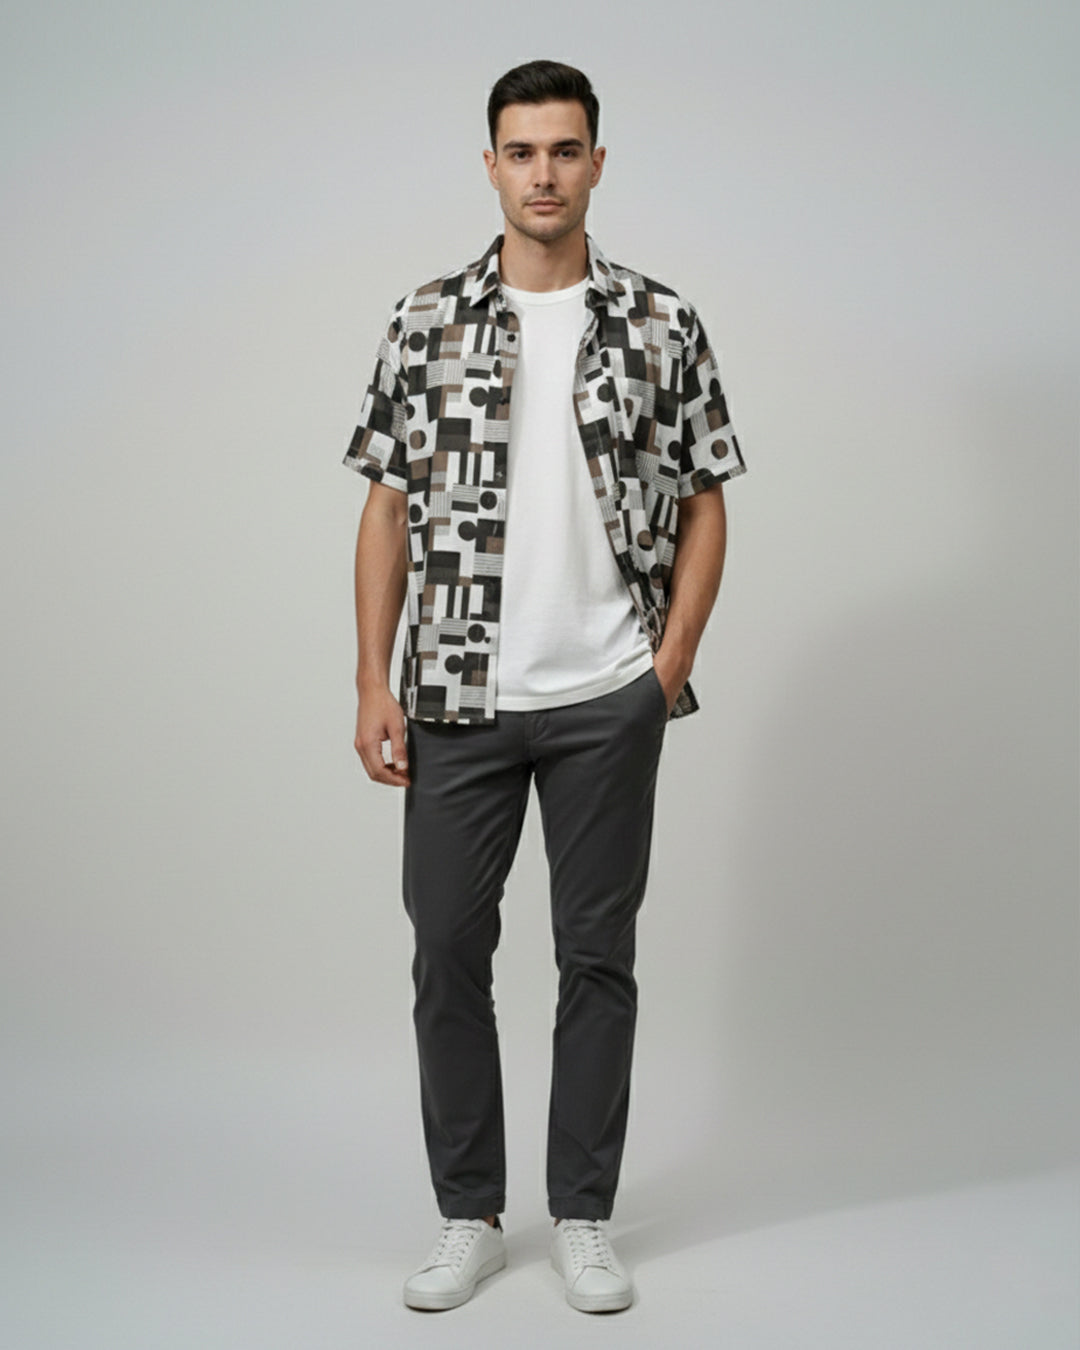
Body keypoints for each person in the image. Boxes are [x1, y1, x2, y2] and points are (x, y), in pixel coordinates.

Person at [343, 58, 747, 1314]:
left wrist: (667, 669)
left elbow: (706, 500)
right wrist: (371, 680)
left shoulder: (662, 322)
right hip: (457, 696)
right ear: (490, 165)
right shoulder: (425, 319)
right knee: (446, 951)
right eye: (521, 152)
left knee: (597, 958)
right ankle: (468, 1213)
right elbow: (387, 508)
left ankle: (583, 1215)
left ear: (597, 163)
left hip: (606, 696)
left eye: (565, 150)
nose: (544, 174)